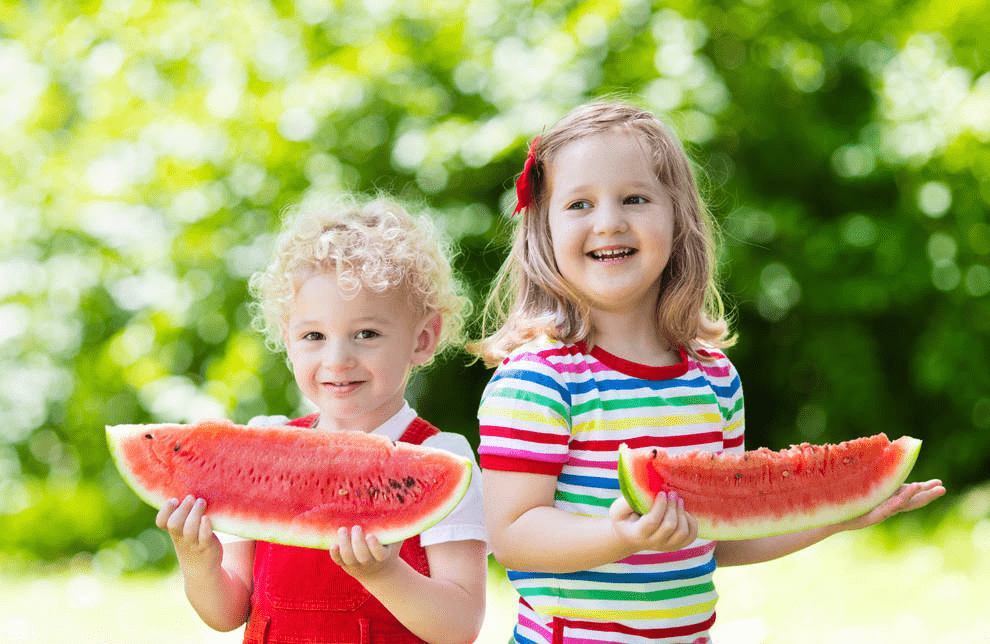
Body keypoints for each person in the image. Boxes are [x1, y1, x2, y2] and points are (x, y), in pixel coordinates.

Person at [470, 101, 945, 644]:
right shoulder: (538, 379)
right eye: (579, 204)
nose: (609, 222)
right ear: (543, 231)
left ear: (678, 218)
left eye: (635, 198)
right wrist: (619, 535)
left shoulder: (713, 378)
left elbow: (722, 533)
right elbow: (511, 533)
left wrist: (838, 514)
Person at [156, 196, 487, 644]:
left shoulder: (441, 458)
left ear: (423, 338)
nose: (337, 360)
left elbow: (460, 626)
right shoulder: (263, 445)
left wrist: (385, 573)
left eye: (366, 334)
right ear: (288, 339)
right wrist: (197, 559)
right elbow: (228, 612)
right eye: (313, 335)